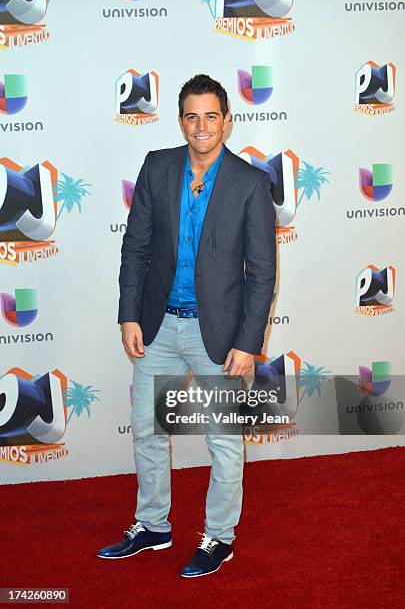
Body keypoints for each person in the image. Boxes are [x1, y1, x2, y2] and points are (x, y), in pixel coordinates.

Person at [97, 74, 276, 577]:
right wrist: (129, 313)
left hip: (216, 335)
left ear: (226, 120)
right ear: (181, 121)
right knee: (148, 433)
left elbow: (262, 273)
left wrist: (248, 342)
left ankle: (219, 537)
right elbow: (135, 247)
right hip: (157, 327)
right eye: (192, 117)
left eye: (211, 116)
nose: (201, 126)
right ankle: (153, 525)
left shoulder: (250, 182)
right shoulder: (158, 167)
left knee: (223, 440)